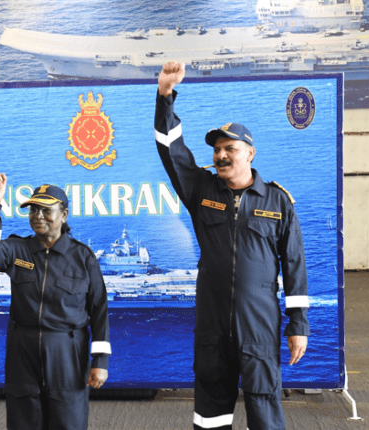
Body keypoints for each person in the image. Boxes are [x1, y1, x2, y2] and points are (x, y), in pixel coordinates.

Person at [153, 63, 310, 430]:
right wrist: (165, 97)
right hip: (212, 327)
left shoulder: (277, 201)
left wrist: (298, 323)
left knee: (264, 412)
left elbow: (295, 265)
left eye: (230, 148)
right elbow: (170, 150)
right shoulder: (201, 190)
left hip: (259, 327)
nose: (221, 155)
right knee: (210, 417)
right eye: (217, 150)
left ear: (250, 153)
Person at [0, 174, 111, 430]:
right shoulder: (17, 249)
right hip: (22, 350)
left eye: (46, 210)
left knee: (67, 419)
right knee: (23, 419)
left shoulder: (83, 257)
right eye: (33, 209)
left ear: (64, 215)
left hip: (67, 350)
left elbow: (99, 309)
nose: (37, 215)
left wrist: (100, 362)